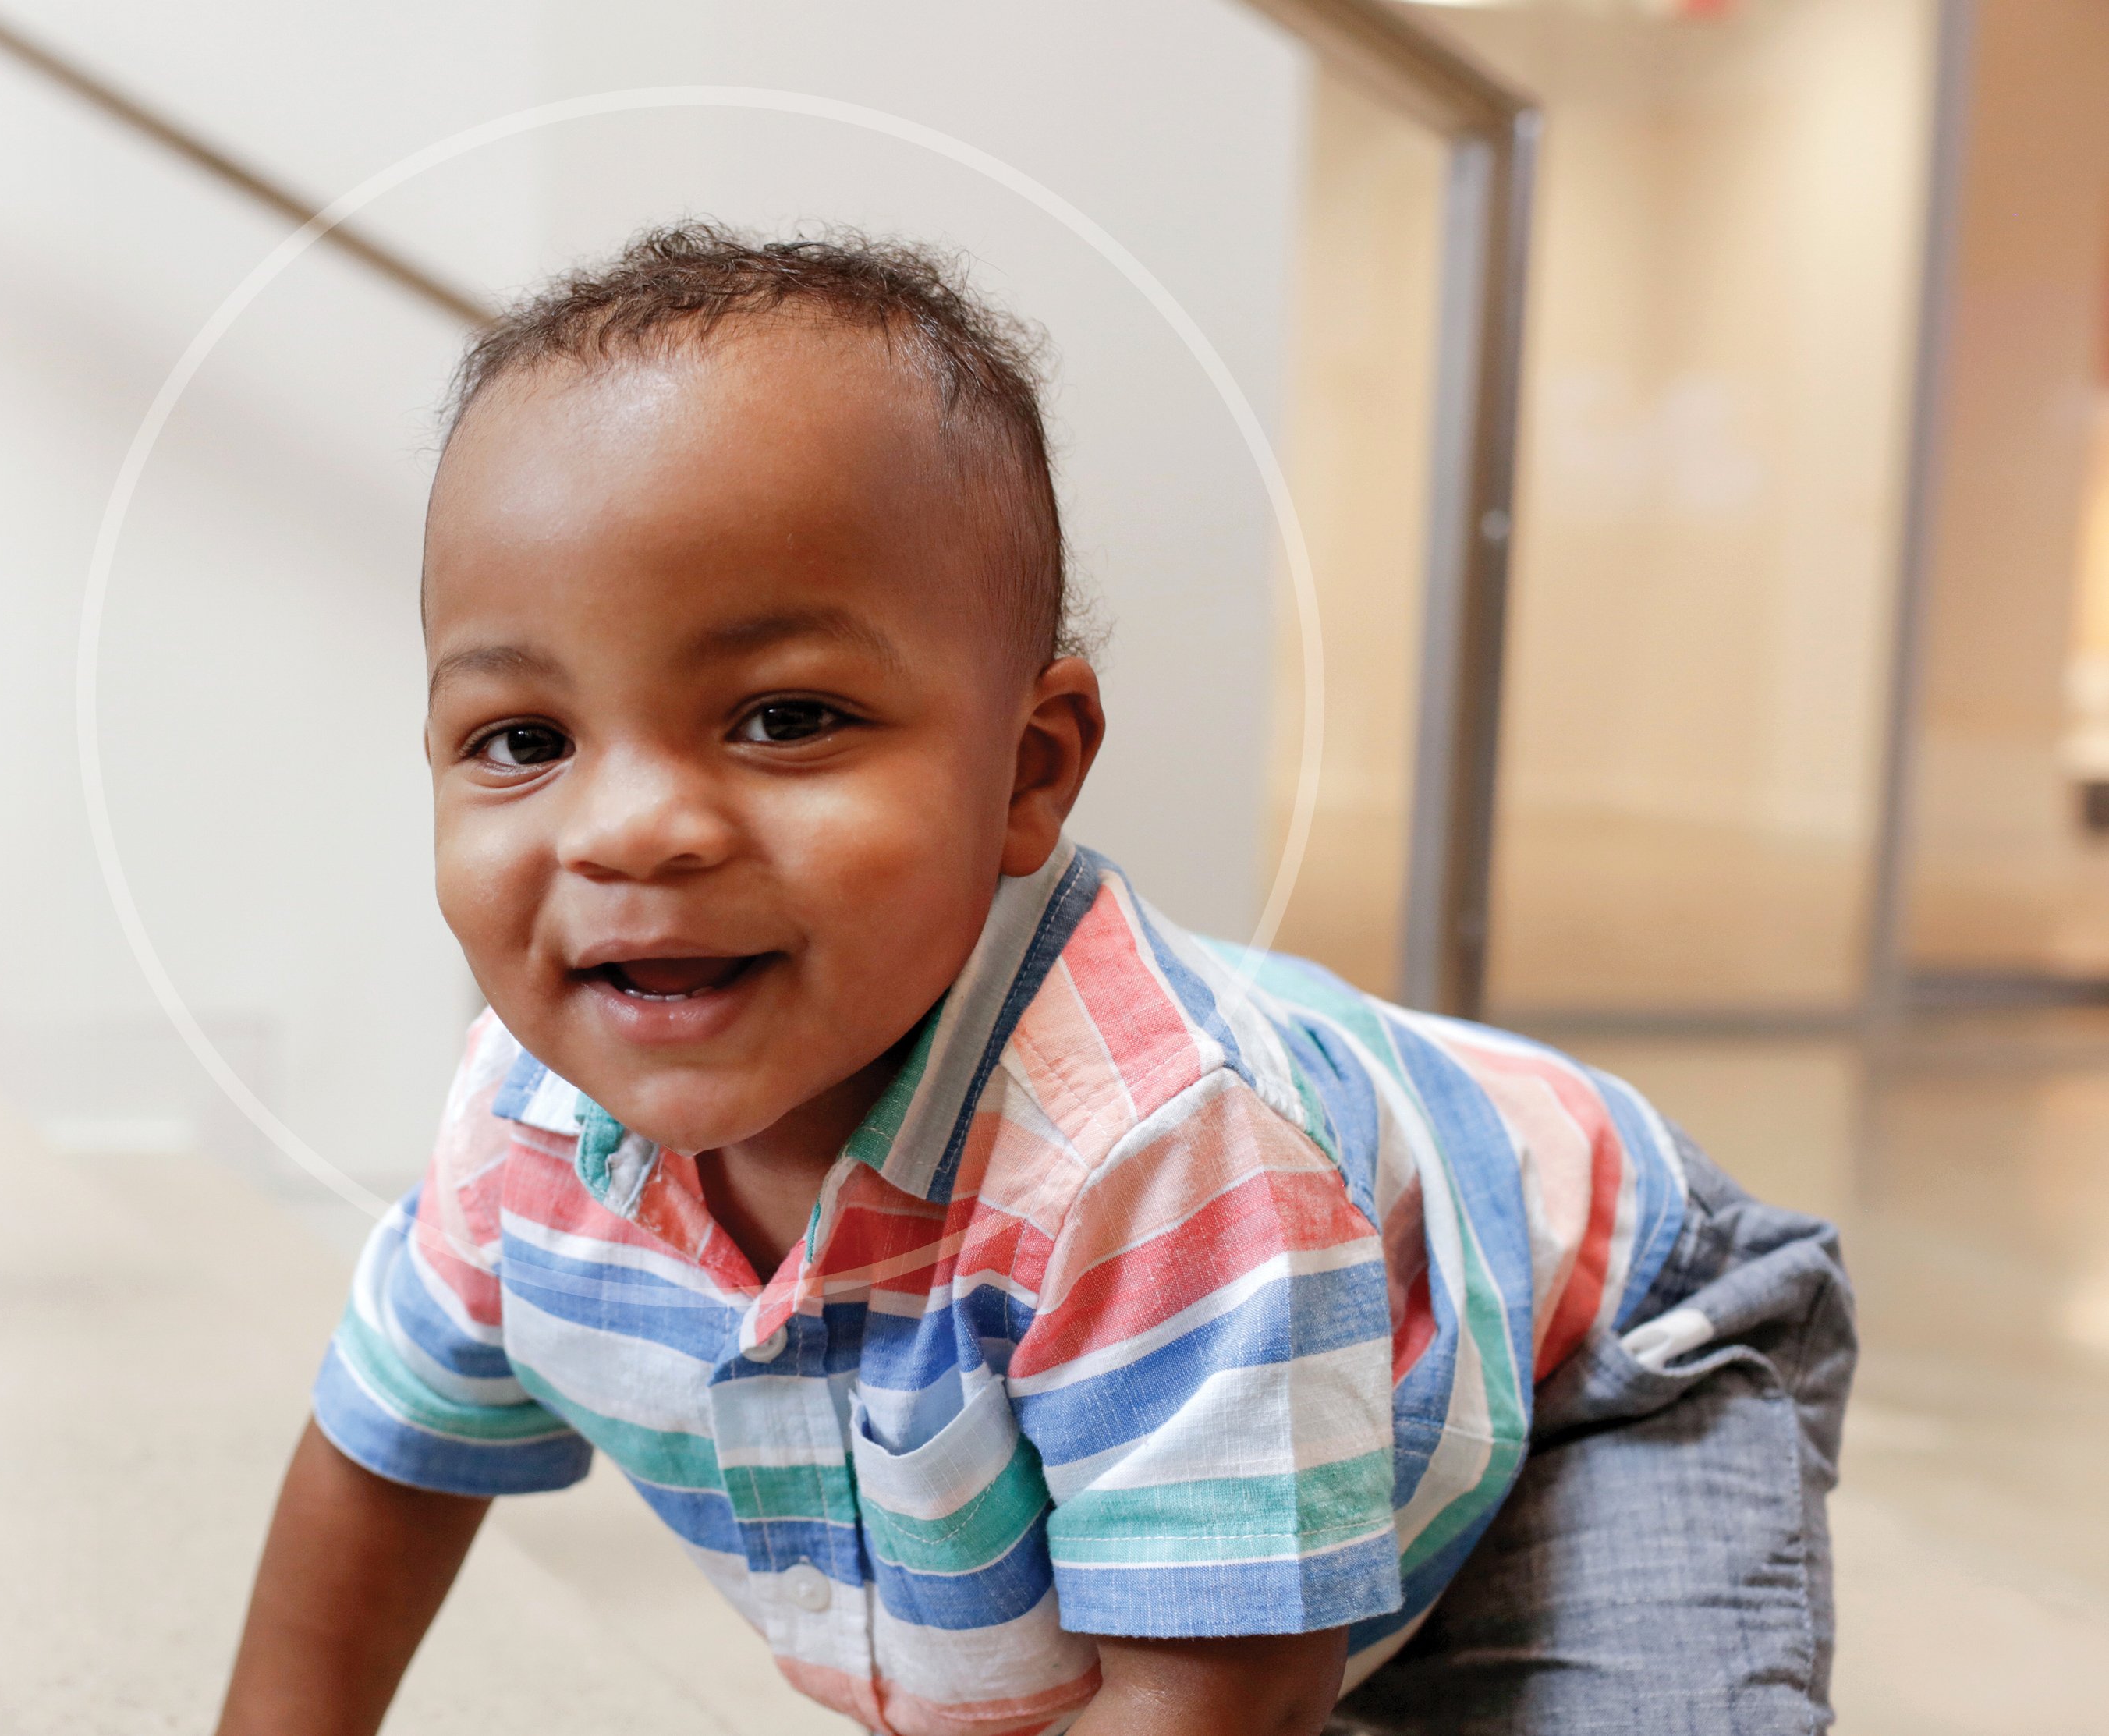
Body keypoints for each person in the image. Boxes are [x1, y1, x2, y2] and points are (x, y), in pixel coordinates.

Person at [214, 225, 1855, 1736]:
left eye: (783, 718)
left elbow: (1219, 1692)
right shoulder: (522, 1126)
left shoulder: (1145, 1155)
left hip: (1588, 1369)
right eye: (523, 740)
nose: (631, 828)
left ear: (1028, 770)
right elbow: (385, 1463)